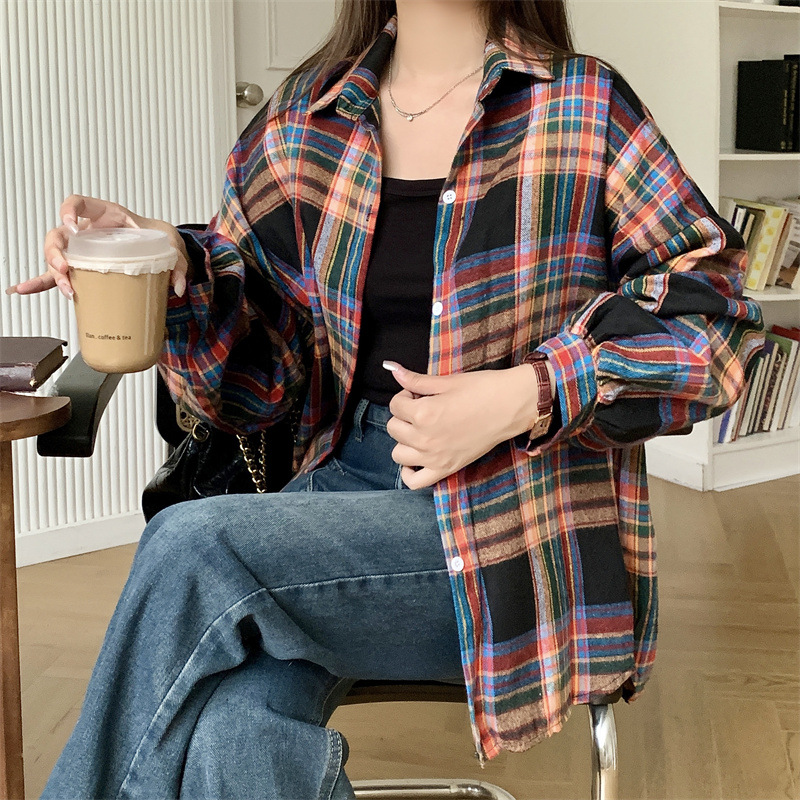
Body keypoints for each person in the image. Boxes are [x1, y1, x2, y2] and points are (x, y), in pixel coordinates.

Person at [8, 0, 765, 797]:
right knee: (235, 727)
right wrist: (178, 268)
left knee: (191, 547)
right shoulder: (307, 120)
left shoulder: (584, 107)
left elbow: (717, 327)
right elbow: (258, 379)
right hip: (342, 495)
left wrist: (529, 393)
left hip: (518, 528)